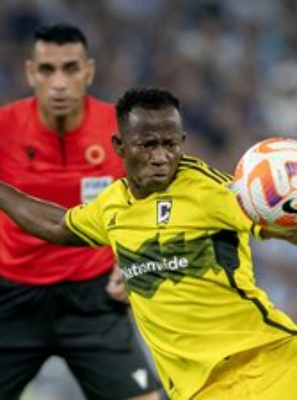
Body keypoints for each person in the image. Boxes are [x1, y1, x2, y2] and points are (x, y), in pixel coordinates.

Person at [0, 87, 297, 400]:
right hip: (200, 392)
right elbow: (57, 225)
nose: (161, 157)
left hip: (268, 360)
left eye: (170, 144)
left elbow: (284, 224)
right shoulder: (111, 207)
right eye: (147, 144)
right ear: (120, 146)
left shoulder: (207, 190)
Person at [0, 24, 162, 400]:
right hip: (12, 297)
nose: (59, 83)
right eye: (47, 70)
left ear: (88, 71)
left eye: (70, 68)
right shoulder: (4, 128)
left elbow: (155, 203)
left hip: (93, 299)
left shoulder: (122, 130)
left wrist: (137, 257)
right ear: (30, 73)